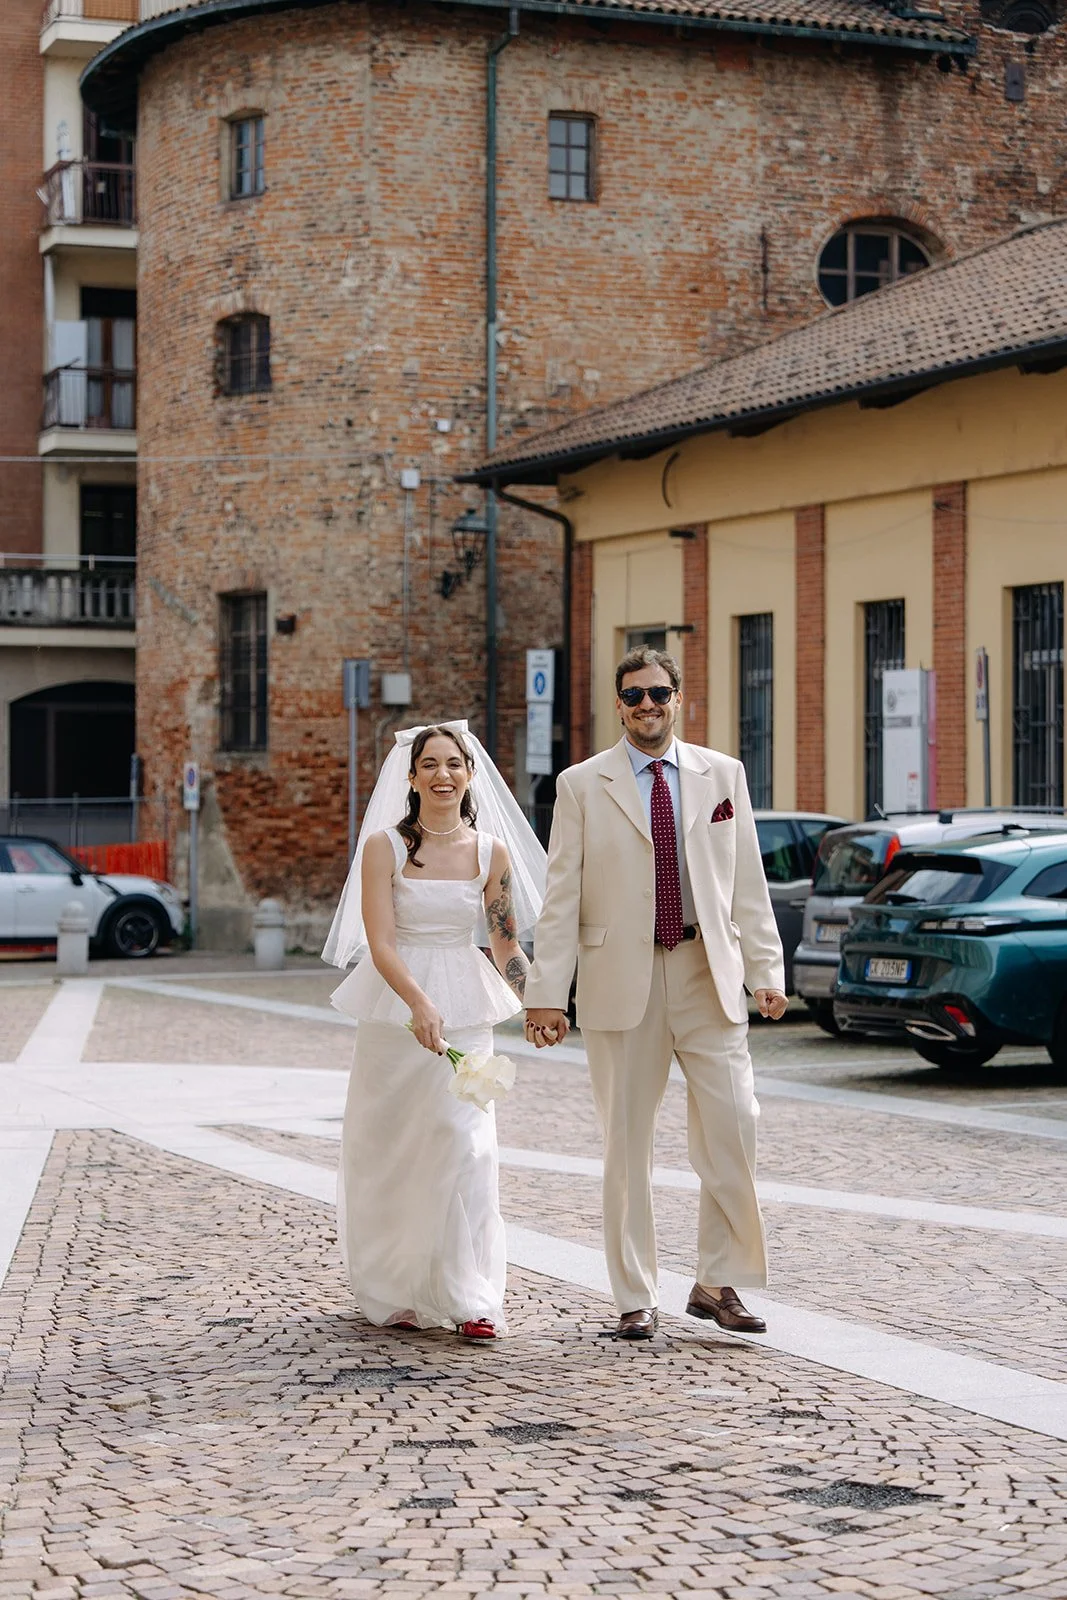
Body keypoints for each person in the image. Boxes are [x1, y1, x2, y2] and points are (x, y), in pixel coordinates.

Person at [524, 646, 787, 1340]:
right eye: (634, 696)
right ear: (618, 705)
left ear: (678, 699)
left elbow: (746, 883)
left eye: (659, 694)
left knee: (735, 1126)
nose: (647, 706)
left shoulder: (722, 775)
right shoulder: (583, 785)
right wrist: (545, 993)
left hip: (708, 973)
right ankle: (633, 1294)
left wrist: (766, 971)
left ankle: (715, 1281)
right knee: (626, 1145)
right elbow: (561, 895)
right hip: (621, 979)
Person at [323, 721, 546, 1341]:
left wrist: (541, 1004)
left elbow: (505, 945)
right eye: (431, 765)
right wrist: (418, 1003)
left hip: (468, 1011)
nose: (443, 775)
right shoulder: (384, 849)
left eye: (455, 764)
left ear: (470, 775)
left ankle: (471, 1295)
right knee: (393, 1146)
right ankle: (394, 1284)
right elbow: (381, 940)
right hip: (397, 1005)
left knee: (465, 1145)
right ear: (412, 775)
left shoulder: (491, 853)